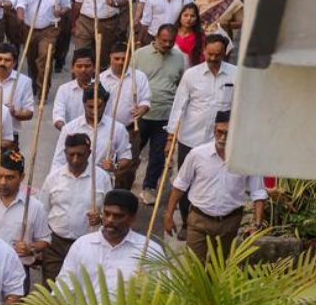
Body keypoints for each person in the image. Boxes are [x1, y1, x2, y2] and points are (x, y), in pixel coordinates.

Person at [164, 111, 267, 261]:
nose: (223, 137)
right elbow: (180, 185)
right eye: (220, 132)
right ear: (214, 130)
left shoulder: (247, 159)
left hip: (229, 223)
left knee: (218, 268)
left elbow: (258, 193)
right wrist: (169, 215)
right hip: (199, 219)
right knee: (194, 266)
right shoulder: (197, 154)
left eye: (228, 133)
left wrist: (257, 225)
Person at [166, 34, 235, 239]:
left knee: (215, 180)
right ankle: (188, 222)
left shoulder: (236, 74)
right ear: (204, 51)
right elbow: (179, 105)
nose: (213, 58)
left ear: (225, 54)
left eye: (218, 55)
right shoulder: (191, 75)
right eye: (210, 54)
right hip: (191, 137)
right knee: (185, 181)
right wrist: (171, 137)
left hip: (221, 140)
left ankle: (212, 220)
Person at [56, 189, 163, 299]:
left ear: (132, 218)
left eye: (118, 216)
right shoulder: (82, 245)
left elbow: (163, 294)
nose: (110, 220)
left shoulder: (150, 250)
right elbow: (63, 288)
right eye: (107, 214)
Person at [38, 133, 113, 282]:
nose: (75, 159)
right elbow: (42, 212)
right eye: (71, 154)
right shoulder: (53, 178)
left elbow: (110, 212)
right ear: (65, 153)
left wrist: (100, 218)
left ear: (89, 153)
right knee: (52, 288)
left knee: (83, 287)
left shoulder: (102, 178)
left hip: (88, 243)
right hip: (55, 244)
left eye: (81, 154)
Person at [132, 24, 185, 206]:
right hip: (141, 114)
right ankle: (125, 181)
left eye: (171, 41)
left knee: (158, 156)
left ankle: (149, 187)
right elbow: (130, 80)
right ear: (156, 37)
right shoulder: (139, 55)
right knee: (133, 151)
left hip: (165, 114)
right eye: (164, 41)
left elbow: (181, 85)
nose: (167, 44)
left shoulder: (179, 58)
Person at [0, 150, 52, 291]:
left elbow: (45, 240)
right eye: (0, 176)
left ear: (22, 177)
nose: (3, 182)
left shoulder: (35, 206)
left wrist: (31, 248)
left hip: (18, 270)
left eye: (10, 177)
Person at [98, 41, 152, 191]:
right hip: (106, 129)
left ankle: (122, 195)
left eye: (124, 58)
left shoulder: (138, 77)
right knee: (103, 164)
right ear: (110, 58)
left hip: (130, 130)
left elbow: (146, 100)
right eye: (117, 58)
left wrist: (142, 109)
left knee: (128, 166)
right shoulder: (101, 79)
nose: (121, 62)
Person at [49, 84, 132, 178]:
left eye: (99, 107)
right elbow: (58, 161)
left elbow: (126, 157)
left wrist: (115, 166)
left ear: (105, 104)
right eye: (90, 107)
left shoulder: (117, 128)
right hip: (74, 180)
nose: (94, 112)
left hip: (102, 182)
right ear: (84, 104)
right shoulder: (69, 129)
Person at [16, 0, 71, 95]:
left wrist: (61, 12)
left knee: (45, 58)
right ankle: (34, 85)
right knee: (32, 60)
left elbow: (67, 6)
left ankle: (43, 91)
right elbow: (21, 4)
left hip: (50, 29)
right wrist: (20, 16)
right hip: (30, 28)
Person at [0, 43, 36, 146]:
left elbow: (29, 112)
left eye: (7, 60)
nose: (2, 63)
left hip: (10, 135)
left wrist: (15, 113)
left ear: (14, 63)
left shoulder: (24, 81)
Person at [51, 47, 95, 131]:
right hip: (71, 135)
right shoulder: (64, 90)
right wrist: (66, 130)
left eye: (87, 66)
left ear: (94, 68)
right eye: (79, 66)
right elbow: (58, 115)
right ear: (72, 68)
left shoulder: (101, 89)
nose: (83, 70)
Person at [174, 2, 206, 66]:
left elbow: (202, 59)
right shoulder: (172, 33)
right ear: (180, 17)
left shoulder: (200, 38)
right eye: (185, 15)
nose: (189, 19)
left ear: (197, 19)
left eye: (192, 16)